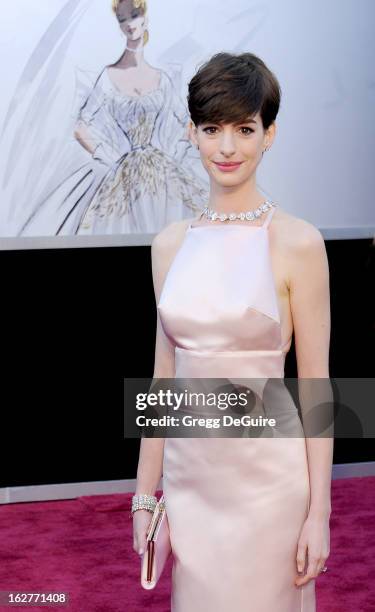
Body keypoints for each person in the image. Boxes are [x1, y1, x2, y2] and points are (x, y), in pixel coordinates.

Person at [131, 51, 333, 611]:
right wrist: (145, 498)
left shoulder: (298, 243)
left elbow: (316, 386)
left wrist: (319, 513)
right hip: (191, 485)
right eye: (212, 128)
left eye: (244, 129)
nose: (226, 147)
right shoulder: (169, 245)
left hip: (270, 486)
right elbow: (163, 378)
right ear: (191, 133)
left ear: (269, 135)